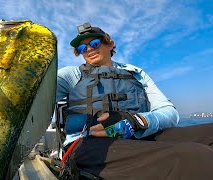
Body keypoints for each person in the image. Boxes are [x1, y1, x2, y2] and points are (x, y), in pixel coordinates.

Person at [56, 22, 213, 180]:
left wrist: (137, 121)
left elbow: (170, 112)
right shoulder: (70, 75)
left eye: (94, 43)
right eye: (82, 49)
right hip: (88, 144)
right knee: (193, 156)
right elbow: (38, 94)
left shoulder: (136, 73)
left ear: (110, 44)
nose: (89, 49)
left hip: (138, 135)